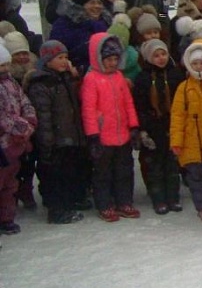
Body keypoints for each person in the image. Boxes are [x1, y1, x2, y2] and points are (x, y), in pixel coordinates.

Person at [25, 41, 89, 224]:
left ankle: (70, 202)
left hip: (69, 136)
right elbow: (44, 118)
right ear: (47, 60)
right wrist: (47, 143)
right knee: (55, 176)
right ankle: (57, 210)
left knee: (70, 172)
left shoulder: (65, 78)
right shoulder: (41, 84)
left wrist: (75, 77)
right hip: (55, 140)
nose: (64, 61)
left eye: (66, 57)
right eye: (59, 58)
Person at [81, 33, 142, 222]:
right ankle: (105, 204)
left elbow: (128, 103)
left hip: (122, 134)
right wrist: (93, 135)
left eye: (116, 59)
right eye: (108, 59)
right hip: (103, 136)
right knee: (103, 174)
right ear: (99, 59)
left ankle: (124, 201)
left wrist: (133, 125)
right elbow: (89, 109)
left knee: (124, 170)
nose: (113, 63)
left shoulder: (119, 77)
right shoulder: (91, 79)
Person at [134, 39, 185, 215]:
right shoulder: (142, 78)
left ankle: (173, 197)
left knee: (172, 164)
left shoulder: (176, 74)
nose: (161, 58)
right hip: (152, 127)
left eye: (163, 54)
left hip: (172, 125)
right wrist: (142, 129)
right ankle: (158, 198)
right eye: (156, 55)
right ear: (149, 58)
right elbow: (139, 105)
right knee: (154, 166)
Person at [169, 39, 202, 222]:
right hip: (191, 143)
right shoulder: (183, 88)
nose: (198, 67)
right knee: (196, 179)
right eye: (194, 63)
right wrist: (176, 141)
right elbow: (177, 116)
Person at [0, 43, 37, 234]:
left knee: (10, 182)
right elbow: (3, 117)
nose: (4, 69)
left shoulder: (11, 83)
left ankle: (7, 218)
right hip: (4, 142)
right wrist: (20, 127)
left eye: (6, 65)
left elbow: (24, 102)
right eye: (1, 66)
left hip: (17, 142)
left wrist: (29, 120)